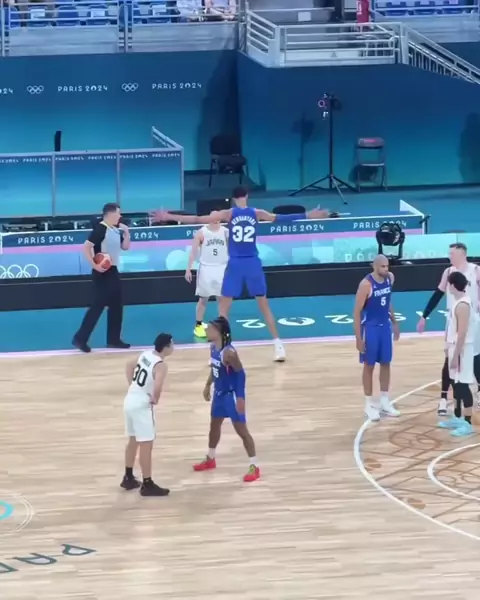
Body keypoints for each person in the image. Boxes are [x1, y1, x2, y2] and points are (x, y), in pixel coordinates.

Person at [151, 186, 329, 362]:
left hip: (235, 265)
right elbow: (280, 218)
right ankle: (278, 345)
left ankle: (222, 349)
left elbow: (197, 218)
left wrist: (169, 216)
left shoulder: (228, 214)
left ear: (234, 198)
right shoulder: (256, 213)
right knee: (264, 306)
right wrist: (308, 215)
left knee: (223, 310)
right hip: (252, 264)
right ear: (247, 196)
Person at [192, 317, 260, 482]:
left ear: (219, 332)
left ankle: (254, 466)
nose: (206, 330)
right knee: (214, 426)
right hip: (219, 394)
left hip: (231, 396)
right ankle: (211, 458)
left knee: (242, 431)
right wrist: (208, 385)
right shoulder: (213, 347)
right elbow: (215, 368)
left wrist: (240, 398)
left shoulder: (229, 353)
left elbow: (241, 375)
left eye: (210, 328)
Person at [417, 242, 480, 416]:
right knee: (450, 359)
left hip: (472, 321)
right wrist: (424, 316)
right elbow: (438, 294)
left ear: (462, 254)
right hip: (453, 321)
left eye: (452, 253)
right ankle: (444, 398)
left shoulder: (475, 270)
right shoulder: (448, 272)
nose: (449, 256)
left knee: (475, 358)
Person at [72, 203, 130, 353]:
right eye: (118, 213)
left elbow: (125, 247)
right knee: (97, 305)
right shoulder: (100, 229)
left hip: (114, 270)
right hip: (102, 271)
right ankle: (80, 339)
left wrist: (127, 233)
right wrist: (94, 265)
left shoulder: (115, 230)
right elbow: (86, 247)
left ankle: (114, 339)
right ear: (110, 214)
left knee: (117, 305)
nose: (120, 216)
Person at [121, 333, 174, 497]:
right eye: (172, 344)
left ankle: (128, 477)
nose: (173, 347)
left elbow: (129, 365)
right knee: (146, 444)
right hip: (141, 405)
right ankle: (147, 483)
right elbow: (158, 385)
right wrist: (155, 398)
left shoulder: (146, 354)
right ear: (166, 347)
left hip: (129, 400)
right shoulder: (161, 365)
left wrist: (132, 385)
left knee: (133, 440)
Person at [353, 255, 400, 422]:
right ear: (375, 266)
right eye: (383, 267)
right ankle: (369, 404)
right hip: (370, 329)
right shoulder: (366, 285)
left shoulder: (390, 278)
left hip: (384, 328)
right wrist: (358, 338)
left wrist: (394, 322)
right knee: (369, 365)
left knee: (386, 363)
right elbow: (357, 312)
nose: (386, 269)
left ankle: (384, 401)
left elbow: (388, 302)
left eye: (387, 266)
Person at [438, 271, 476, 437]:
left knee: (463, 385)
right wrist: (449, 347)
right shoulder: (458, 302)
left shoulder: (463, 305)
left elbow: (462, 334)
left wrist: (455, 357)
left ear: (453, 285)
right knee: (455, 383)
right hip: (455, 348)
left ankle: (467, 423)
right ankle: (458, 417)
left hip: (462, 350)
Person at [185, 219, 229, 338]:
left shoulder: (226, 232)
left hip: (222, 268)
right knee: (203, 299)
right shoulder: (201, 232)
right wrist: (188, 268)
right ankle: (198, 326)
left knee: (222, 299)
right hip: (206, 269)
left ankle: (222, 326)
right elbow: (193, 252)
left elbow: (231, 250)